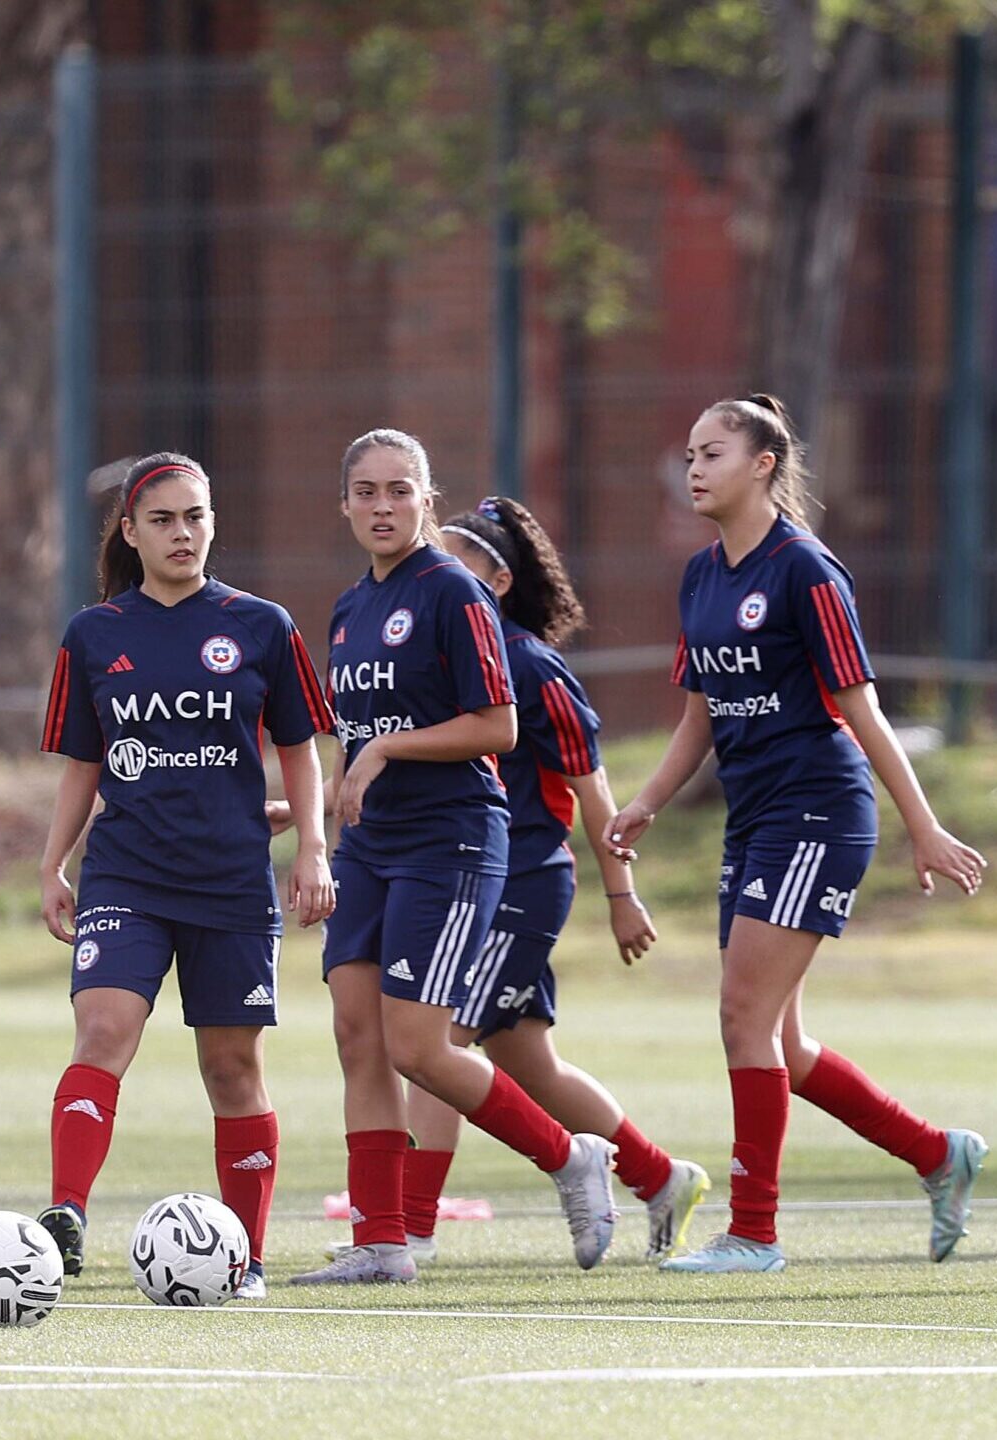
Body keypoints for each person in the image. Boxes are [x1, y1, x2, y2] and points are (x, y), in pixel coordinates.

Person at [609, 395, 989, 1274]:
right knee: (780, 1041)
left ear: (764, 465)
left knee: (742, 1017)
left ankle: (755, 1233)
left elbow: (864, 711)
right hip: (754, 818)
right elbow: (699, 714)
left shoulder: (807, 571)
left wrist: (923, 827)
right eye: (690, 453)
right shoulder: (704, 575)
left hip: (819, 808)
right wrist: (650, 801)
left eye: (712, 453)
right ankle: (938, 1155)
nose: (694, 468)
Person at [324, 497, 710, 1267]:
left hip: (520, 878)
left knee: (438, 1038)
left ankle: (415, 1225)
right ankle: (660, 1176)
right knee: (530, 1065)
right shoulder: (418, 648)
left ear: (499, 579)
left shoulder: (528, 662)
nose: (443, 565)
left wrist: (622, 894)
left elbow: (591, 786)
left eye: (464, 555)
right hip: (456, 876)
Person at [292, 429, 617, 1285]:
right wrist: (312, 831)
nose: (383, 506)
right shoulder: (349, 607)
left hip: (453, 838)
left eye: (400, 490)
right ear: (346, 505)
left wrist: (388, 749)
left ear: (427, 501)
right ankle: (382, 1242)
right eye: (366, 492)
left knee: (418, 1046)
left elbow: (497, 727)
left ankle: (569, 1157)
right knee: (357, 1038)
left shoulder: (454, 593)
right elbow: (350, 745)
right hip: (371, 846)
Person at [36, 454, 334, 1300]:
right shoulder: (95, 633)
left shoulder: (261, 626)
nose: (182, 533)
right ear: (130, 533)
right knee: (101, 1032)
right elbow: (82, 765)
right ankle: (65, 1219)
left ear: (213, 522)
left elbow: (301, 750)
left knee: (232, 1071)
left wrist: (313, 848)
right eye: (163, 519)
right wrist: (53, 865)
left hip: (232, 883)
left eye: (195, 516)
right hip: (125, 874)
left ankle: (249, 1258)